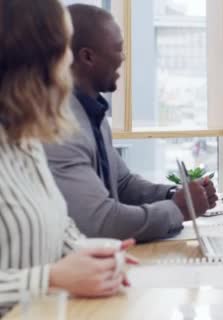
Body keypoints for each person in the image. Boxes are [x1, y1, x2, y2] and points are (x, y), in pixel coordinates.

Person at [0, 0, 134, 316]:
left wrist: (99, 253)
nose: (70, 62)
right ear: (35, 61)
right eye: (65, 50)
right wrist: (49, 278)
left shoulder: (26, 141)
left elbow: (61, 228)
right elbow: (47, 276)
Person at [43, 4, 218, 242]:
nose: (123, 58)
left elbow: (122, 183)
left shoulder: (92, 113)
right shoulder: (58, 125)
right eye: (118, 49)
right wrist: (179, 208)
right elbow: (102, 222)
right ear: (87, 57)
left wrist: (175, 194)